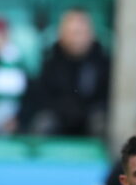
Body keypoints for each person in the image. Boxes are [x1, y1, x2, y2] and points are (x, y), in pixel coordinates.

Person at [21, 8, 111, 137]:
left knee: (102, 122)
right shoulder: (50, 61)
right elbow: (41, 98)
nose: (75, 39)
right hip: (58, 118)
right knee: (43, 123)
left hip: (90, 119)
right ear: (61, 33)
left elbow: (105, 99)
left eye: (79, 32)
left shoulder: (103, 63)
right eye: (71, 32)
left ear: (91, 34)